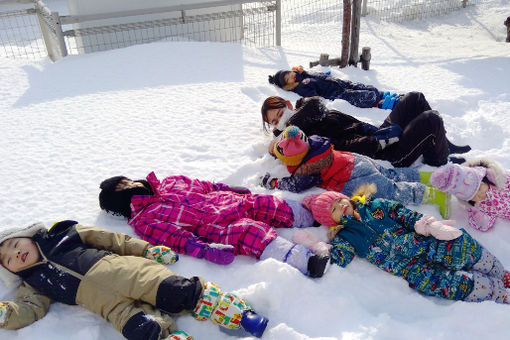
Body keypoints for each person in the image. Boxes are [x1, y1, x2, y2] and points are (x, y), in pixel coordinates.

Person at [0, 221, 270, 339]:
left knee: (180, 292)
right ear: (11, 271)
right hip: (110, 308)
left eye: (13, 244)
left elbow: (113, 240)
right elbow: (30, 308)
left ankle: (239, 315)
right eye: (8, 260)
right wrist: (6, 314)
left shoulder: (65, 236)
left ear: (28, 234)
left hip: (132, 273)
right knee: (141, 330)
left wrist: (146, 250)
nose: (15, 253)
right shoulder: (33, 282)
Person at [294, 185, 510, 303]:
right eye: (333, 209)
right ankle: (497, 292)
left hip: (425, 242)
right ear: (332, 220)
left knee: (460, 246)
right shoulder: (346, 237)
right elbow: (339, 258)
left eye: (339, 200)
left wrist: (424, 225)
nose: (341, 205)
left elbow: (403, 214)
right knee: (449, 285)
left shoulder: (376, 205)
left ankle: (499, 272)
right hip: (411, 269)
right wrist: (317, 247)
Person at [98, 172, 329, 278]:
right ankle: (307, 261)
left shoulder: (168, 182)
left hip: (229, 202)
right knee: (253, 234)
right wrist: (206, 250)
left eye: (125, 181)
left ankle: (319, 214)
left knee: (267, 204)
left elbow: (203, 186)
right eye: (122, 189)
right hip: (217, 229)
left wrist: (225, 188)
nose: (130, 185)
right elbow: (177, 239)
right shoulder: (145, 220)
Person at [259, 125, 451, 218]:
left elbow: (295, 185)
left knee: (392, 191)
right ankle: (432, 177)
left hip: (353, 178)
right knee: (391, 174)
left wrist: (274, 182)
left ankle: (434, 194)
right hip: (354, 159)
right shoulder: (315, 143)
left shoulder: (308, 169)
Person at [261, 91, 471, 167]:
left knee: (414, 98)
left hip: (376, 134)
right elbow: (338, 149)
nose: (280, 122)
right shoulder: (297, 139)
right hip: (383, 155)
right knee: (431, 120)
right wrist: (378, 141)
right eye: (275, 122)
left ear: (288, 105)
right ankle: (438, 161)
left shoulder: (306, 109)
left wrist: (377, 133)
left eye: (280, 114)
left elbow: (316, 105)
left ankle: (443, 145)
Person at [430, 158, 510, 232]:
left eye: (479, 188)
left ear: (484, 179)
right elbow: (485, 225)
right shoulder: (481, 206)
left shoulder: (501, 180)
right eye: (474, 196)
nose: (480, 195)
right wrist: (478, 216)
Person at [268, 66, 384, 108]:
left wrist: (302, 72)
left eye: (290, 73)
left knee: (367, 87)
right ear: (288, 85)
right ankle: (381, 102)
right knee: (365, 96)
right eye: (288, 79)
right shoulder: (301, 88)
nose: (292, 76)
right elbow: (314, 96)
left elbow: (315, 76)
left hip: (339, 83)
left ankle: (381, 95)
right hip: (336, 94)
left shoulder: (304, 75)